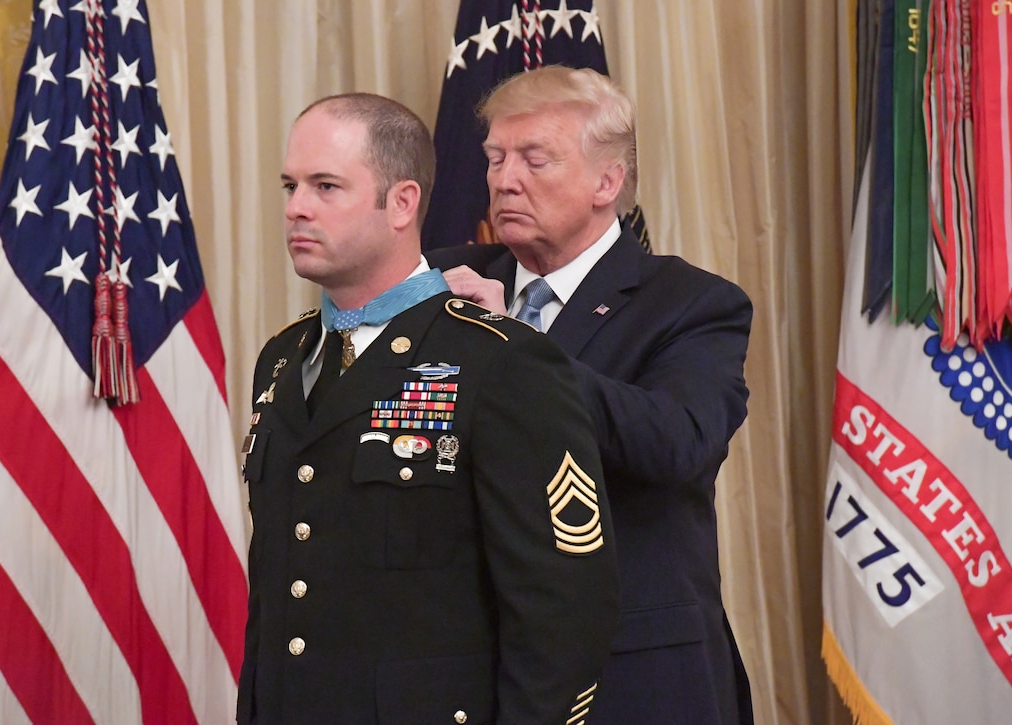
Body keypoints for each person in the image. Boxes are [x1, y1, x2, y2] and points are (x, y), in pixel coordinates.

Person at [237, 92, 620, 724]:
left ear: (403, 202)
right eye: (290, 186)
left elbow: (566, 615)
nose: (297, 208)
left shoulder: (500, 362)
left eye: (326, 186)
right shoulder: (282, 359)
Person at [428, 66, 755, 724]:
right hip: (464, 669)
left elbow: (675, 442)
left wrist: (513, 345)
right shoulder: (438, 282)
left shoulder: (691, 303)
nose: (503, 179)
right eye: (495, 158)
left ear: (607, 182)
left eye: (534, 158)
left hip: (631, 674)